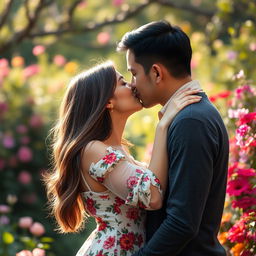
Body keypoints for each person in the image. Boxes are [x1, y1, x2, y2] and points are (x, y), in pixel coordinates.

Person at [44, 61, 202, 256]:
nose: (133, 86)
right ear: (108, 102)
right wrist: (162, 127)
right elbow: (152, 197)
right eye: (123, 83)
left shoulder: (119, 151)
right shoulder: (93, 150)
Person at [117, 20, 229, 256]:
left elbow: (182, 222)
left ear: (157, 72)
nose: (132, 84)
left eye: (134, 73)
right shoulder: (187, 116)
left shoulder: (191, 121)